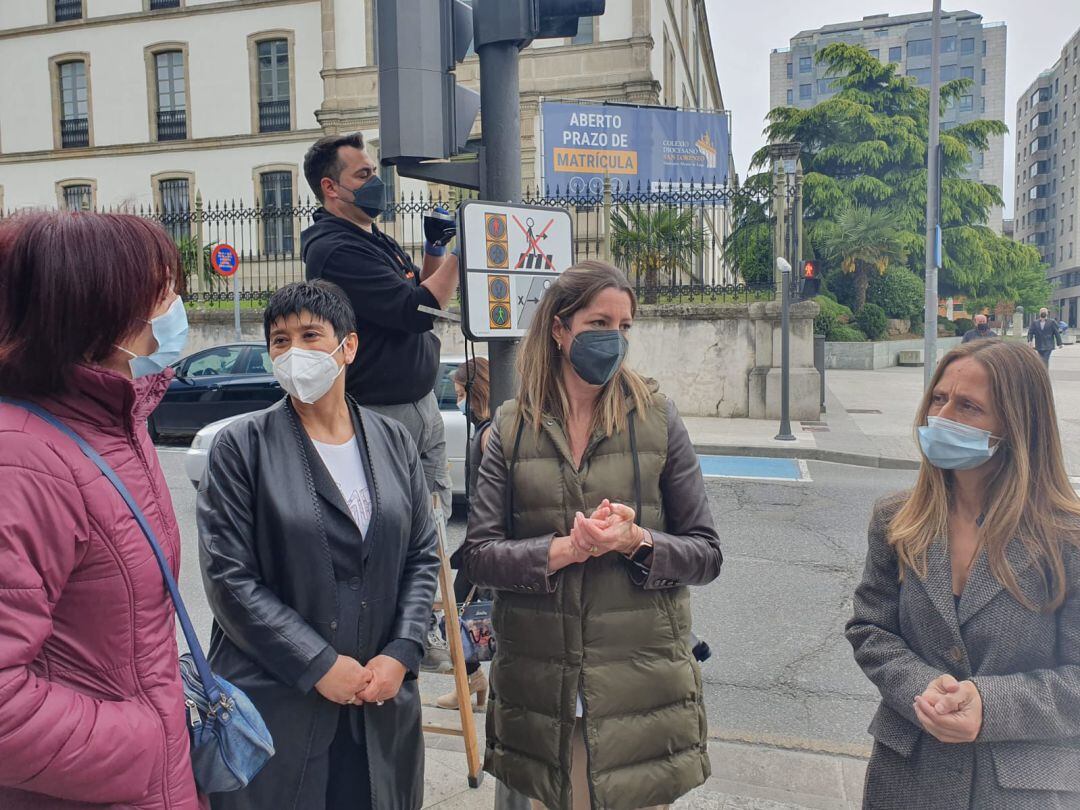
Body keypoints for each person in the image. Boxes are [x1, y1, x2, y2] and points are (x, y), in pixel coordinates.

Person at [461, 261, 724, 810]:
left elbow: (706, 554)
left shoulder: (658, 419)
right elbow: (479, 559)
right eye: (600, 323)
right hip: (545, 693)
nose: (615, 339)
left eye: (625, 326)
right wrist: (565, 550)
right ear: (559, 330)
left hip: (640, 694)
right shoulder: (508, 429)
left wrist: (636, 542)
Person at [197, 280, 441, 810]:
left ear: (348, 346)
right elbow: (229, 579)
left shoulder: (392, 440)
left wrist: (402, 652)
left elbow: (422, 555)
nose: (294, 352)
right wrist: (318, 664)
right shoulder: (242, 447)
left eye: (311, 335)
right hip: (277, 706)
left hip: (378, 701)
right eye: (280, 341)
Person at [0, 211, 201, 808]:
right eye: (161, 290)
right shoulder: (23, 460)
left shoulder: (116, 416)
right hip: (101, 784)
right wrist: (145, 742)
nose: (175, 305)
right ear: (100, 307)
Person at [846, 340, 1080, 810]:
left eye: (968, 406)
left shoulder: (1067, 538)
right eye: (938, 398)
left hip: (1020, 791)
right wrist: (920, 685)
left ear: (1016, 426)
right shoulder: (896, 519)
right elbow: (870, 629)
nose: (942, 417)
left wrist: (989, 705)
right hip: (906, 779)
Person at [301, 131, 458, 670]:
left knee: (434, 515)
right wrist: (470, 252)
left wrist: (437, 248)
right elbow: (417, 308)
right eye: (363, 175)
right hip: (380, 412)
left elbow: (425, 293)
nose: (377, 183)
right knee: (394, 527)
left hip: (419, 406)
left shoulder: (374, 239)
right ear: (330, 188)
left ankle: (429, 624)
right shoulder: (334, 249)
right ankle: (396, 634)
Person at [437, 356, 493, 710]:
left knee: (457, 615)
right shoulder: (488, 427)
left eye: (460, 394)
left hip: (483, 542)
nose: (459, 402)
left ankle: (471, 683)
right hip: (482, 539)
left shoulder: (488, 433)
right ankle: (473, 682)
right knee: (465, 615)